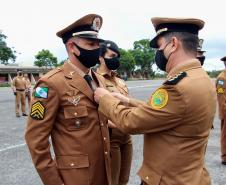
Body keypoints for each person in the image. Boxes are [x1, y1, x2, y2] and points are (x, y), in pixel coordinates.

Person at [94, 17, 216, 185]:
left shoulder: (178, 87)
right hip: (190, 176)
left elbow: (132, 122)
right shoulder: (202, 78)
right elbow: (166, 113)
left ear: (173, 44)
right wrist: (128, 101)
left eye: (160, 47)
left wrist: (104, 98)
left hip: (169, 179)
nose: (158, 53)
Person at [25, 14, 111, 185]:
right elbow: (36, 140)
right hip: (75, 178)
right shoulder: (50, 83)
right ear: (72, 47)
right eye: (90, 44)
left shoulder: (98, 79)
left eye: (97, 44)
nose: (97, 49)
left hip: (104, 171)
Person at [96, 40, 132, 185]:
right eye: (112, 55)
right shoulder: (96, 80)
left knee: (124, 179)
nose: (115, 59)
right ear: (100, 57)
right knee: (112, 180)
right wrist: (120, 123)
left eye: (117, 56)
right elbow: (97, 112)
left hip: (126, 136)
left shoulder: (120, 81)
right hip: (112, 138)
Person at [216, 56, 226, 165]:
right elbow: (221, 96)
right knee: (225, 135)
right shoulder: (222, 79)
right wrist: (224, 112)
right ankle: (225, 157)